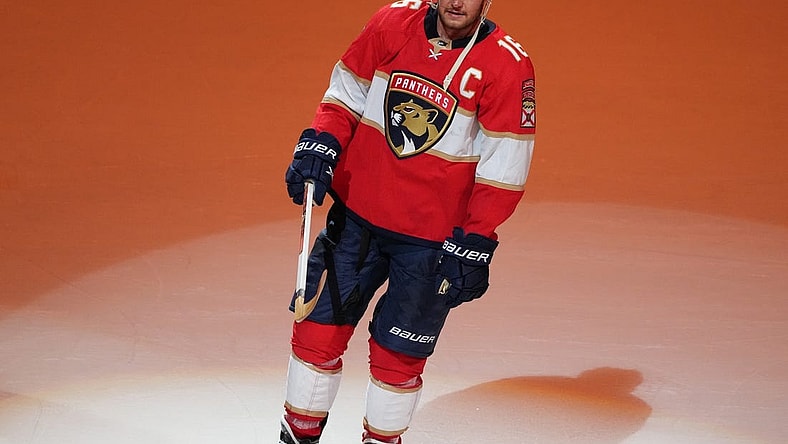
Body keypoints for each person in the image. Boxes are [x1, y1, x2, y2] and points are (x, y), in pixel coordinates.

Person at [279, 0, 536, 442]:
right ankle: (297, 437)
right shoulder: (391, 22)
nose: (457, 2)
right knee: (315, 335)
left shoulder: (508, 64)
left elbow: (505, 164)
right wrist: (321, 142)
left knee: (397, 356)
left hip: (432, 242)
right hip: (357, 217)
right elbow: (346, 93)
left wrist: (477, 238)